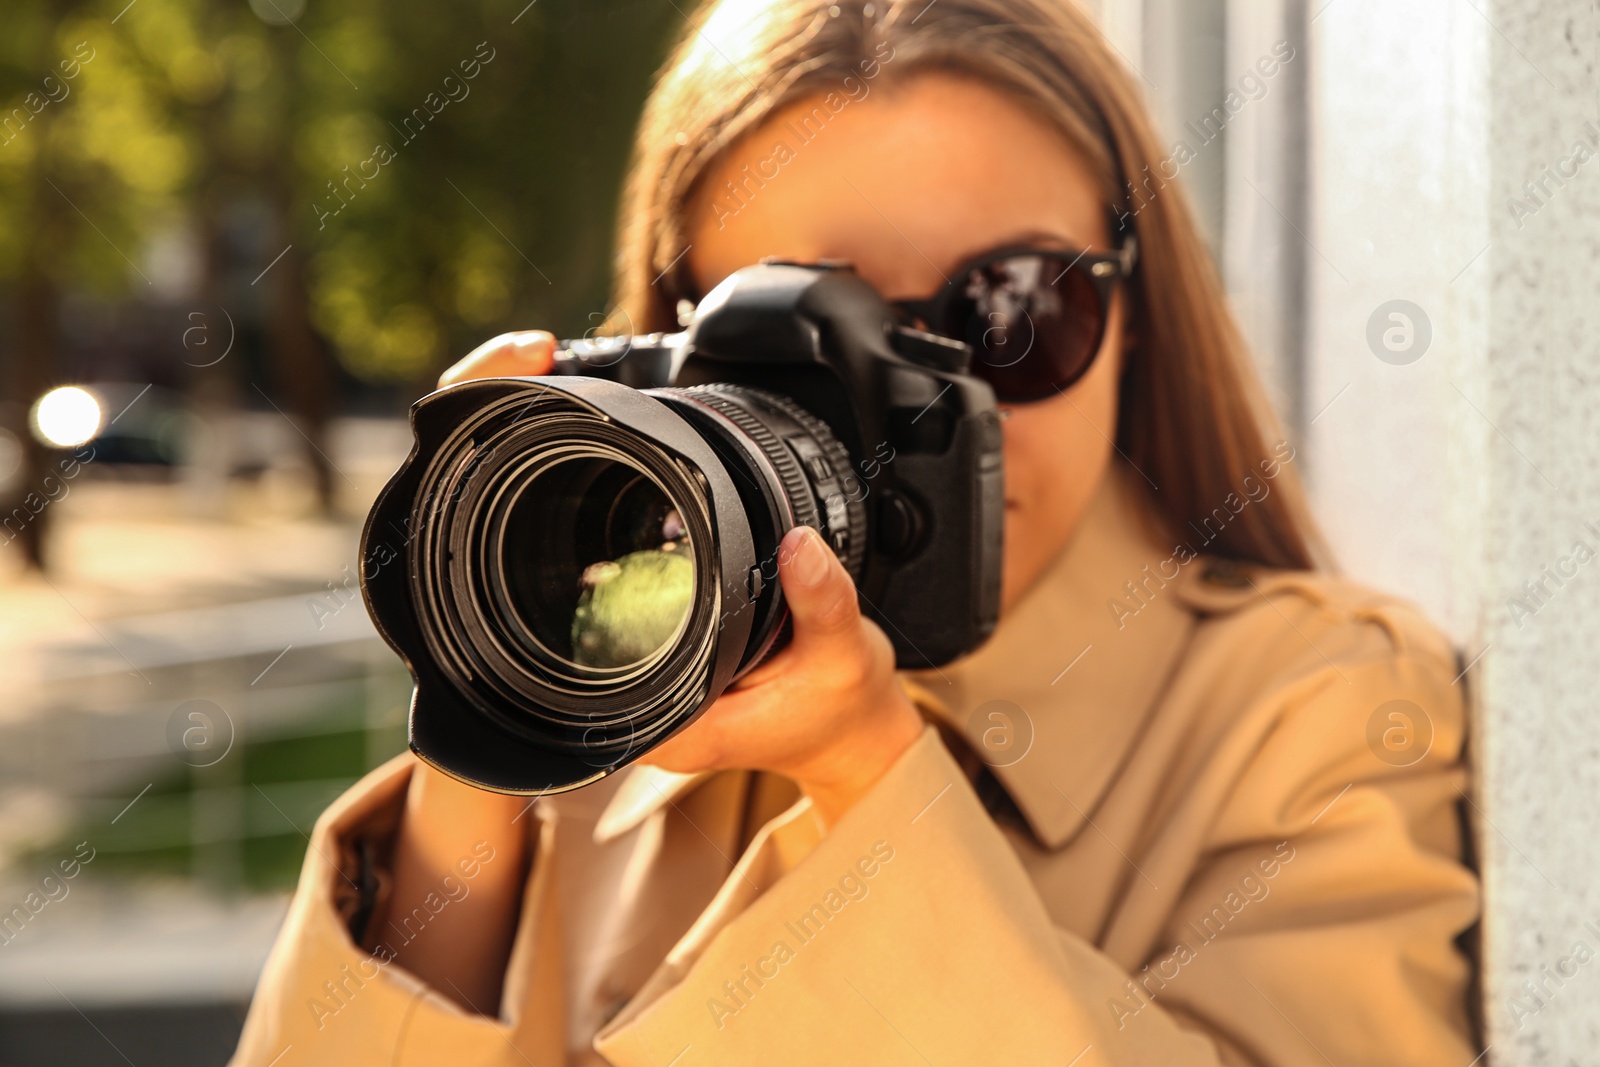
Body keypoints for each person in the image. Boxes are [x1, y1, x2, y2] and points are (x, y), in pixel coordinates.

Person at [232, 0, 1479, 1063]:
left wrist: (870, 774)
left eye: (1006, 316)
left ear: (1136, 311)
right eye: (799, 341)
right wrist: (489, 688)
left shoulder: (1314, 712)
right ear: (672, 359)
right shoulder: (604, 672)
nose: (913, 408)